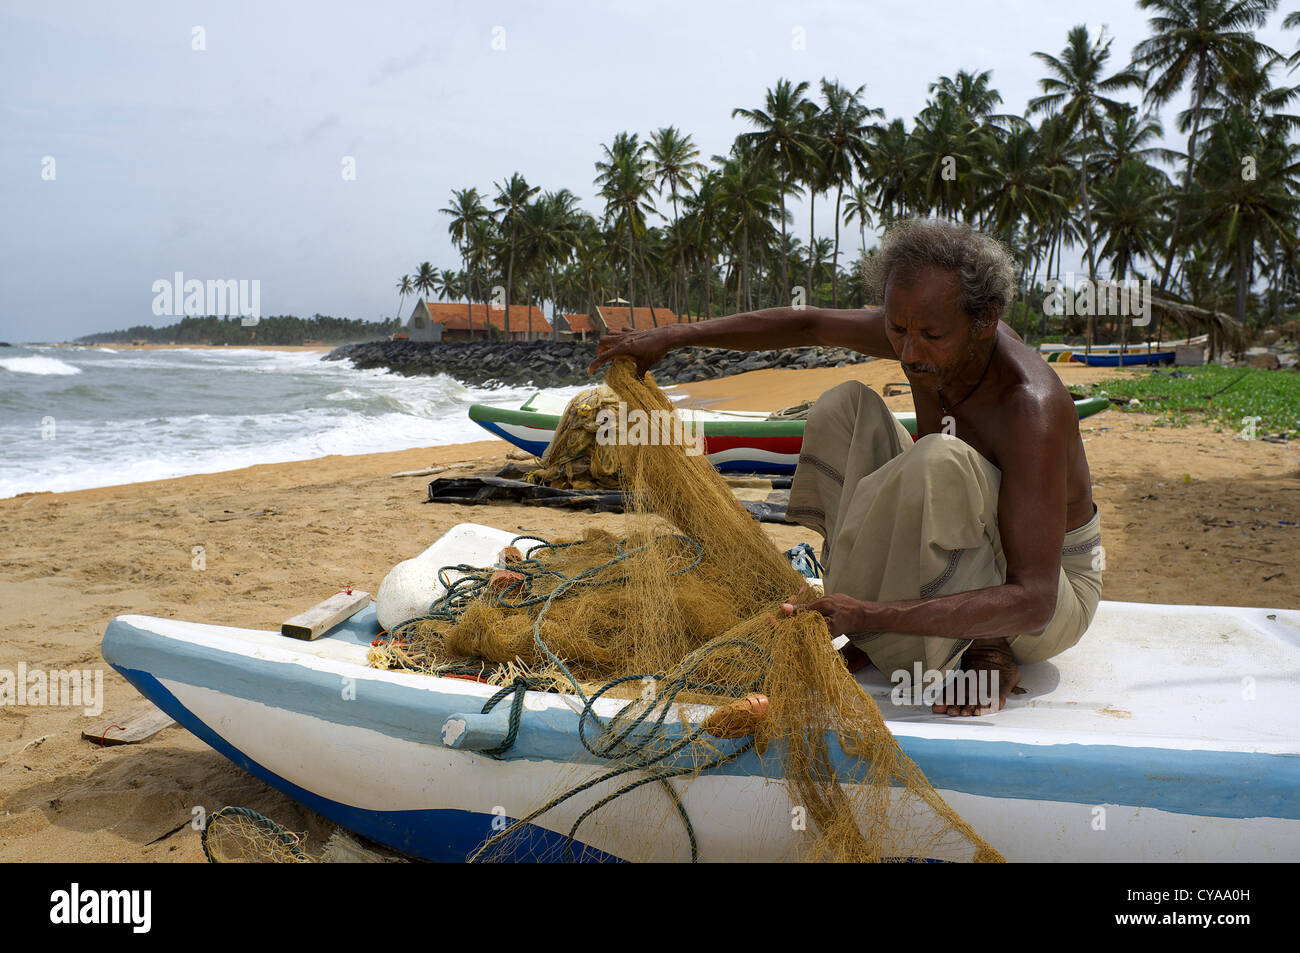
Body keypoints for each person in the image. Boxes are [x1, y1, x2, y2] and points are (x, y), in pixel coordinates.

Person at [588, 218, 1102, 716]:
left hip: (1052, 596)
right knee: (843, 406)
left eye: (929, 335)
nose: (908, 351)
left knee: (939, 457)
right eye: (897, 329)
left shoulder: (1029, 406)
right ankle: (872, 628)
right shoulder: (927, 331)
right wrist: (671, 337)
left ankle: (981, 647)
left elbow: (1034, 600)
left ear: (983, 320)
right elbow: (807, 322)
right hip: (975, 545)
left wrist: (872, 615)